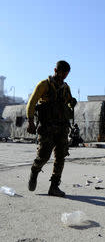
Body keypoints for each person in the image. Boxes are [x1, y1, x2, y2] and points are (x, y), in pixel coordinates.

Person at [26, 60, 77, 197]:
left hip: (62, 127)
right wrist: (30, 121)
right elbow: (31, 103)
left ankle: (54, 187)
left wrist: (72, 102)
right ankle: (35, 170)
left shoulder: (66, 88)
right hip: (47, 127)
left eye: (65, 75)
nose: (63, 78)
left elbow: (68, 103)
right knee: (43, 156)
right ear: (55, 71)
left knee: (61, 157)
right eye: (61, 74)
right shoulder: (44, 85)